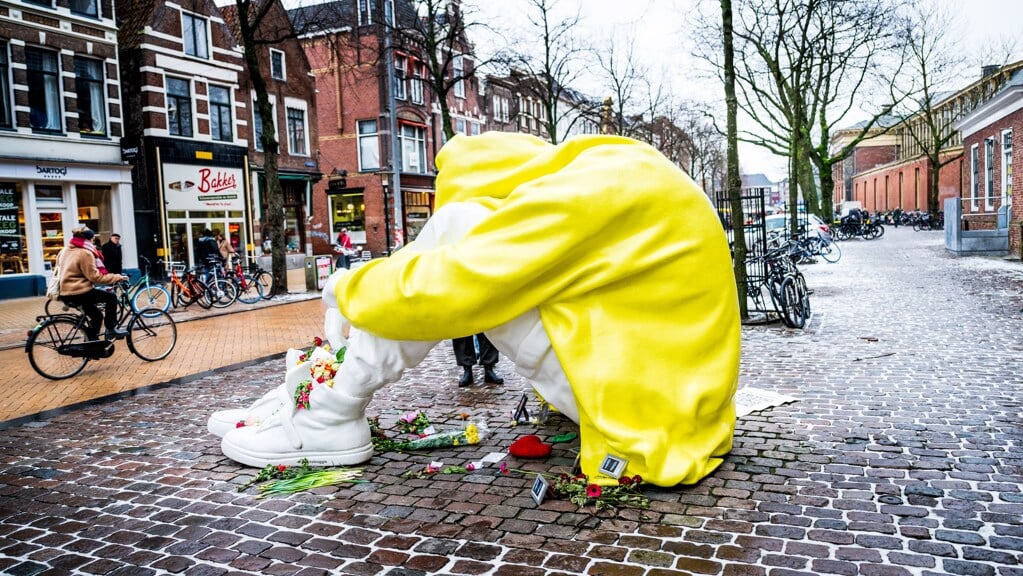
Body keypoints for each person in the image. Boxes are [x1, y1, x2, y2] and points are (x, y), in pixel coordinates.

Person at [213, 132, 740, 488]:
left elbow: (461, 282)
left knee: (459, 233)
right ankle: (319, 390)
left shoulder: (587, 190)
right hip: (677, 403)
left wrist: (350, 289)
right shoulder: (619, 168)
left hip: (647, 418)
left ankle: (329, 409)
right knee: (460, 242)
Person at [58, 226, 129, 340]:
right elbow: (95, 277)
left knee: (97, 316)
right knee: (111, 297)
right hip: (78, 291)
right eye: (92, 240)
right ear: (88, 240)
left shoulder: (65, 250)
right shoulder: (85, 253)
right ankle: (110, 330)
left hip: (65, 292)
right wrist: (116, 277)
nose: (93, 242)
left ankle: (92, 343)